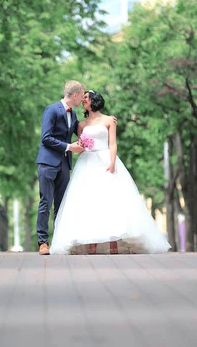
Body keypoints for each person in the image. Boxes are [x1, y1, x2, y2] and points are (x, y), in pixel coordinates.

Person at [49, 90, 171, 255]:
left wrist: (112, 162)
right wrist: (79, 145)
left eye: (86, 97)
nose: (83, 100)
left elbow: (112, 144)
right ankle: (91, 243)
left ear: (94, 100)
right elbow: (80, 143)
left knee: (111, 201)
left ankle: (114, 242)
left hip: (105, 160)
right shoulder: (81, 124)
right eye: (83, 97)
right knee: (89, 203)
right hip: (86, 163)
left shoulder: (109, 120)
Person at [35, 80, 86, 256]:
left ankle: (58, 241)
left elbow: (80, 132)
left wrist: (101, 122)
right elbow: (46, 138)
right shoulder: (52, 110)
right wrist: (69, 147)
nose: (82, 99)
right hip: (48, 163)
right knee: (45, 202)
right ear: (74, 95)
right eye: (81, 95)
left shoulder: (74, 113)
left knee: (61, 205)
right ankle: (42, 242)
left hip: (64, 165)